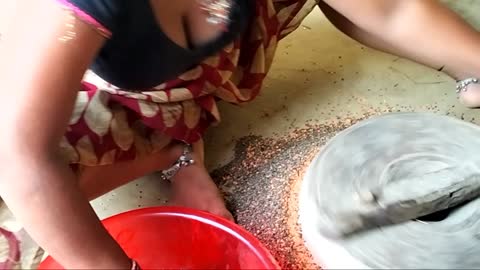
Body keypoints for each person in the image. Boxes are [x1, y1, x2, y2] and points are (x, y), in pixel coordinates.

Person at [0, 0, 479, 269]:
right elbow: (21, 155)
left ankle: (180, 139)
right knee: (42, 200)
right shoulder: (62, 15)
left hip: (224, 45)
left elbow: (392, 9)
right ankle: (169, 150)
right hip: (111, 86)